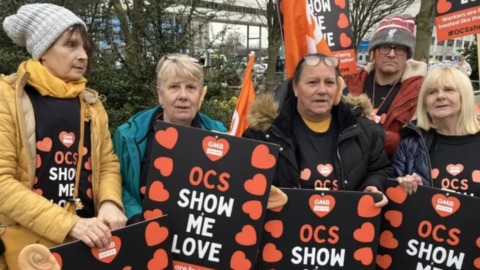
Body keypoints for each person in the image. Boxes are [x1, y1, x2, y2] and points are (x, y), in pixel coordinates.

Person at [0, 4, 125, 270]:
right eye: (70, 45)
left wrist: (110, 202)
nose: (83, 56)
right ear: (43, 50)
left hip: (89, 246)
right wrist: (71, 224)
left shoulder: (91, 103)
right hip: (26, 251)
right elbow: (2, 183)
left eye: (84, 48)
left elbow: (107, 163)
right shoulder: (6, 97)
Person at [243, 53, 393, 207]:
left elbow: (380, 169)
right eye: (312, 82)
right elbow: (243, 184)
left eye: (329, 82)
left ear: (338, 88)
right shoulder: (263, 134)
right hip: (285, 229)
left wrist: (373, 185)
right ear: (295, 88)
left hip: (346, 227)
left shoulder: (366, 131)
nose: (322, 90)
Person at [113, 54, 227, 225]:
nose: (183, 96)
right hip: (142, 236)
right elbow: (114, 183)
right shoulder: (128, 135)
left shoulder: (221, 136)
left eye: (191, 87)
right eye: (174, 87)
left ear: (200, 94)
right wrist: (135, 217)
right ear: (160, 94)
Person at [345, 14, 428, 157]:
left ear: (408, 54)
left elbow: (422, 142)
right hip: (350, 170)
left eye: (400, 48)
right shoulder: (350, 82)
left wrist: (380, 136)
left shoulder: (422, 91)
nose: (391, 54)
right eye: (384, 47)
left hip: (397, 173)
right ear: (373, 51)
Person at [393, 67, 480, 197]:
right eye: (432, 92)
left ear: (465, 96)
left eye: (449, 90)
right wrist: (401, 186)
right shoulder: (411, 145)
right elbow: (394, 198)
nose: (440, 96)